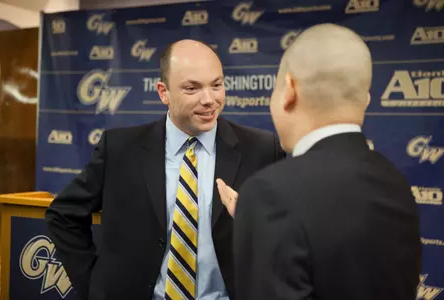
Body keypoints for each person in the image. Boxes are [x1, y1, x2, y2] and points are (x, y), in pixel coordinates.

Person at [45, 39, 285, 300]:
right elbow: (63, 214)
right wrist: (94, 285)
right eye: (192, 88)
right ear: (163, 92)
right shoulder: (120, 149)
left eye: (216, 85)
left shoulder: (262, 149)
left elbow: (290, 233)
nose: (209, 99)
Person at [218, 23, 422, 299]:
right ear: (365, 99)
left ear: (289, 90)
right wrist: (257, 220)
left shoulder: (271, 194)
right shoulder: (394, 182)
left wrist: (261, 212)